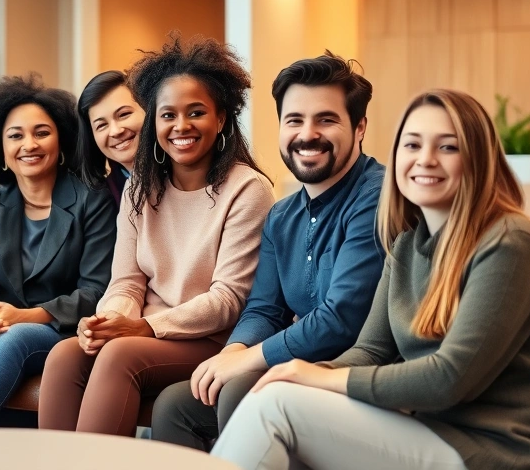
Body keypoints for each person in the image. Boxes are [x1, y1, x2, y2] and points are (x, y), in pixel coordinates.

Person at [212, 89, 530, 470]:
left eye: (448, 147)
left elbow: (448, 379)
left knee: (275, 408)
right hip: (420, 426)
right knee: (279, 394)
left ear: (479, 159)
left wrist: (314, 376)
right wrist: (302, 375)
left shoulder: (509, 241)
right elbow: (370, 351)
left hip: (486, 448)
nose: (425, 159)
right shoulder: (406, 245)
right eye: (412, 144)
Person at [38, 36, 275, 437]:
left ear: (220, 120)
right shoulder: (139, 188)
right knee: (65, 354)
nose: (181, 126)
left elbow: (227, 301)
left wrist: (142, 329)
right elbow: (127, 281)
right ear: (155, 122)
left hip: (212, 338)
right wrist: (108, 320)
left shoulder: (248, 189)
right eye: (168, 115)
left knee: (118, 356)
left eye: (196, 112)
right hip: (143, 333)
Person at [151, 52, 387, 450]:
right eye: (294, 120)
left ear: (359, 127)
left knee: (240, 386)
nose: (307, 134)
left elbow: (342, 318)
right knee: (176, 406)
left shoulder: (378, 197)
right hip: (301, 361)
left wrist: (247, 360)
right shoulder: (282, 215)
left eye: (326, 120)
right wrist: (235, 350)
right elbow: (265, 308)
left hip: (356, 370)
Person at [0, 74, 117, 428]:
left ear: (61, 140)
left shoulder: (91, 199)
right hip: (3, 323)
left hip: (60, 329)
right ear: (0, 150)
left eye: (41, 133)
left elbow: (96, 291)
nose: (29, 144)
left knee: (15, 338)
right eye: (15, 136)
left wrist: (26, 316)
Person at [76, 70, 145, 207]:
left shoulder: (186, 176)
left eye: (124, 114)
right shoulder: (100, 199)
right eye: (101, 125)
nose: (115, 131)